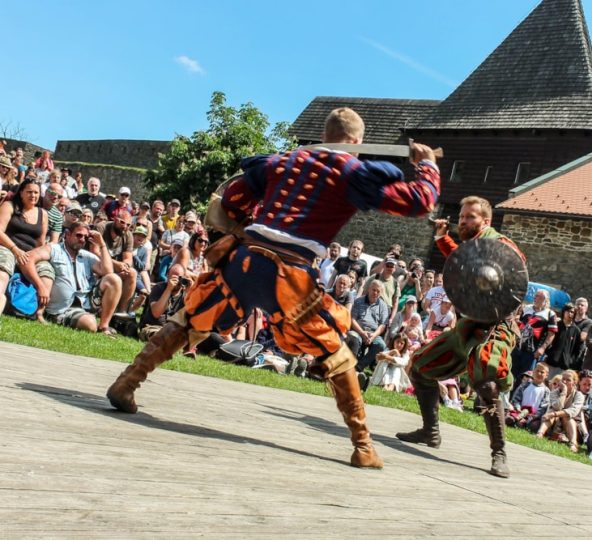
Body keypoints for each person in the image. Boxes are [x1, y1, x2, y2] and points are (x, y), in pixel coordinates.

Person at [106, 107, 441, 468]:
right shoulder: (349, 171)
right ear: (357, 142)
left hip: (245, 259)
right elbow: (418, 202)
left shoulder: (283, 161)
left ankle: (127, 383)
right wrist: (427, 167)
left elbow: (232, 198)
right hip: (292, 275)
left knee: (190, 319)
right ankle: (363, 446)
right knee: (336, 352)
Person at [396, 195, 525, 478]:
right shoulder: (472, 246)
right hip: (469, 326)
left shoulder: (501, 246)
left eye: (470, 217)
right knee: (420, 367)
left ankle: (499, 452)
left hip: (497, 326)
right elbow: (461, 261)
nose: (463, 221)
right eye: (462, 216)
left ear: (486, 221)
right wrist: (442, 236)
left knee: (487, 379)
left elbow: (514, 274)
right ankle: (430, 432)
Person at [23, 222, 122, 334]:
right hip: (61, 309)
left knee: (114, 279)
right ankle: (53, 317)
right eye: (79, 235)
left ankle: (103, 327)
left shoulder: (86, 256)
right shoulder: (54, 249)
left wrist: (102, 245)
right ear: (67, 234)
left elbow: (108, 271)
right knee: (89, 324)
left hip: (86, 301)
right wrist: (40, 286)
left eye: (86, 237)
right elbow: (27, 259)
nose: (82, 239)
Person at [0, 179, 53, 317]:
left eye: (36, 192)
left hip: (31, 253)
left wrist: (36, 258)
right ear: (21, 193)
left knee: (47, 271)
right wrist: (15, 249)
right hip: (8, 247)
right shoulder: (9, 205)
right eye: (29, 192)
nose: (33, 195)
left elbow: (41, 242)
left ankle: (38, 313)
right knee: (4, 267)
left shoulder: (43, 214)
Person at [536, 370, 584, 453]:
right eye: (563, 379)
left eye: (568, 380)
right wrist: (564, 393)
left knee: (567, 417)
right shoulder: (554, 392)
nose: (564, 382)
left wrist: (554, 414)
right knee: (551, 411)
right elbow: (557, 407)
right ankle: (540, 433)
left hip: (571, 426)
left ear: (574, 383)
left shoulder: (579, 395)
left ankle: (573, 443)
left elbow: (573, 411)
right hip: (554, 423)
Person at [346, 279, 390, 372]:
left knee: (381, 345)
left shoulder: (383, 306)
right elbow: (352, 319)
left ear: (381, 293)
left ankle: (359, 367)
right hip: (358, 330)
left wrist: (373, 336)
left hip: (373, 333)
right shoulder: (358, 301)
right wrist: (362, 333)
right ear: (369, 289)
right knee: (353, 337)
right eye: (374, 290)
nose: (375, 293)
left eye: (378, 291)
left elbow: (383, 325)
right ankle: (350, 364)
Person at [507, 362, 549, 429]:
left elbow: (543, 407)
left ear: (546, 375)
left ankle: (522, 423)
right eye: (537, 371)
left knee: (534, 425)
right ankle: (514, 420)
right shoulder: (525, 385)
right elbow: (516, 399)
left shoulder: (546, 391)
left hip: (533, 416)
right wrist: (518, 408)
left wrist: (533, 416)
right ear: (533, 371)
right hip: (520, 411)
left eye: (542, 372)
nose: (539, 373)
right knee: (510, 415)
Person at [544, 302, 580, 378]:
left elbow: (577, 349)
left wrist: (570, 361)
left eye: (572, 312)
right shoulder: (556, 325)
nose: (570, 314)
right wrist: (548, 353)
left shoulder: (576, 330)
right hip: (551, 362)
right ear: (564, 312)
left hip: (564, 365)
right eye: (568, 311)